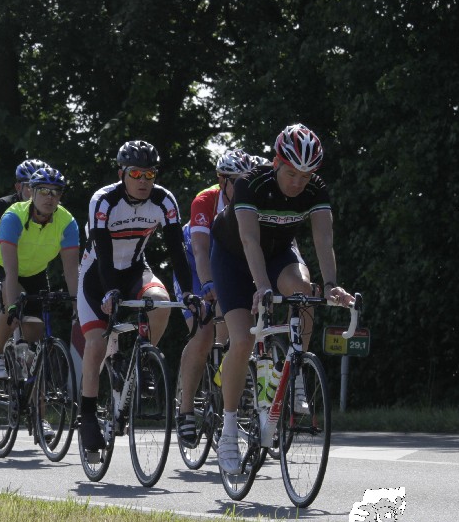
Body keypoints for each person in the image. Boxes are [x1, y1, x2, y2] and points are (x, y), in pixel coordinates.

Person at [209, 124, 354, 475]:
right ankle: (228, 430)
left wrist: (331, 284)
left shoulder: (315, 189)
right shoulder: (251, 183)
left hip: (278, 254)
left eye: (306, 176)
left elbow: (323, 239)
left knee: (304, 291)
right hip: (233, 257)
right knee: (242, 340)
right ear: (276, 163)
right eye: (291, 174)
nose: (298, 183)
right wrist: (261, 287)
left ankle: (294, 370)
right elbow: (249, 240)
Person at [76, 140, 195, 462]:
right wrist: (110, 292)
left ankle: (141, 363)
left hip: (135, 269)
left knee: (160, 302)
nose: (144, 181)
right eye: (136, 174)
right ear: (122, 174)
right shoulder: (104, 200)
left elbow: (177, 251)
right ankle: (87, 415)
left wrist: (189, 292)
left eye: (150, 174)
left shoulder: (164, 200)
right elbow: (103, 252)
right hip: (97, 273)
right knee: (96, 343)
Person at [173, 149, 252, 447]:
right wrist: (207, 285)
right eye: (237, 182)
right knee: (204, 332)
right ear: (222, 181)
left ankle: (225, 393)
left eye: (247, 181)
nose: (243, 187)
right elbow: (201, 250)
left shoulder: (252, 201)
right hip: (195, 266)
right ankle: (186, 410)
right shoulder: (205, 201)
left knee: (238, 333)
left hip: (229, 266)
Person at [0, 166, 81, 382]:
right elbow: (11, 271)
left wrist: (77, 306)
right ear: (32, 192)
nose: (50, 197)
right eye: (44, 191)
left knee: (36, 329)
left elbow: (71, 270)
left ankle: (18, 352)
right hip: (1, 263)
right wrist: (12, 307)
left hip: (35, 270)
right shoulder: (13, 216)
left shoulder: (67, 223)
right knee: (13, 305)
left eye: (56, 192)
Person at [0, 159, 50, 227]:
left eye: (43, 187)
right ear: (18, 187)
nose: (37, 192)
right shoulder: (3, 205)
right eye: (30, 186)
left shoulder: (55, 208)